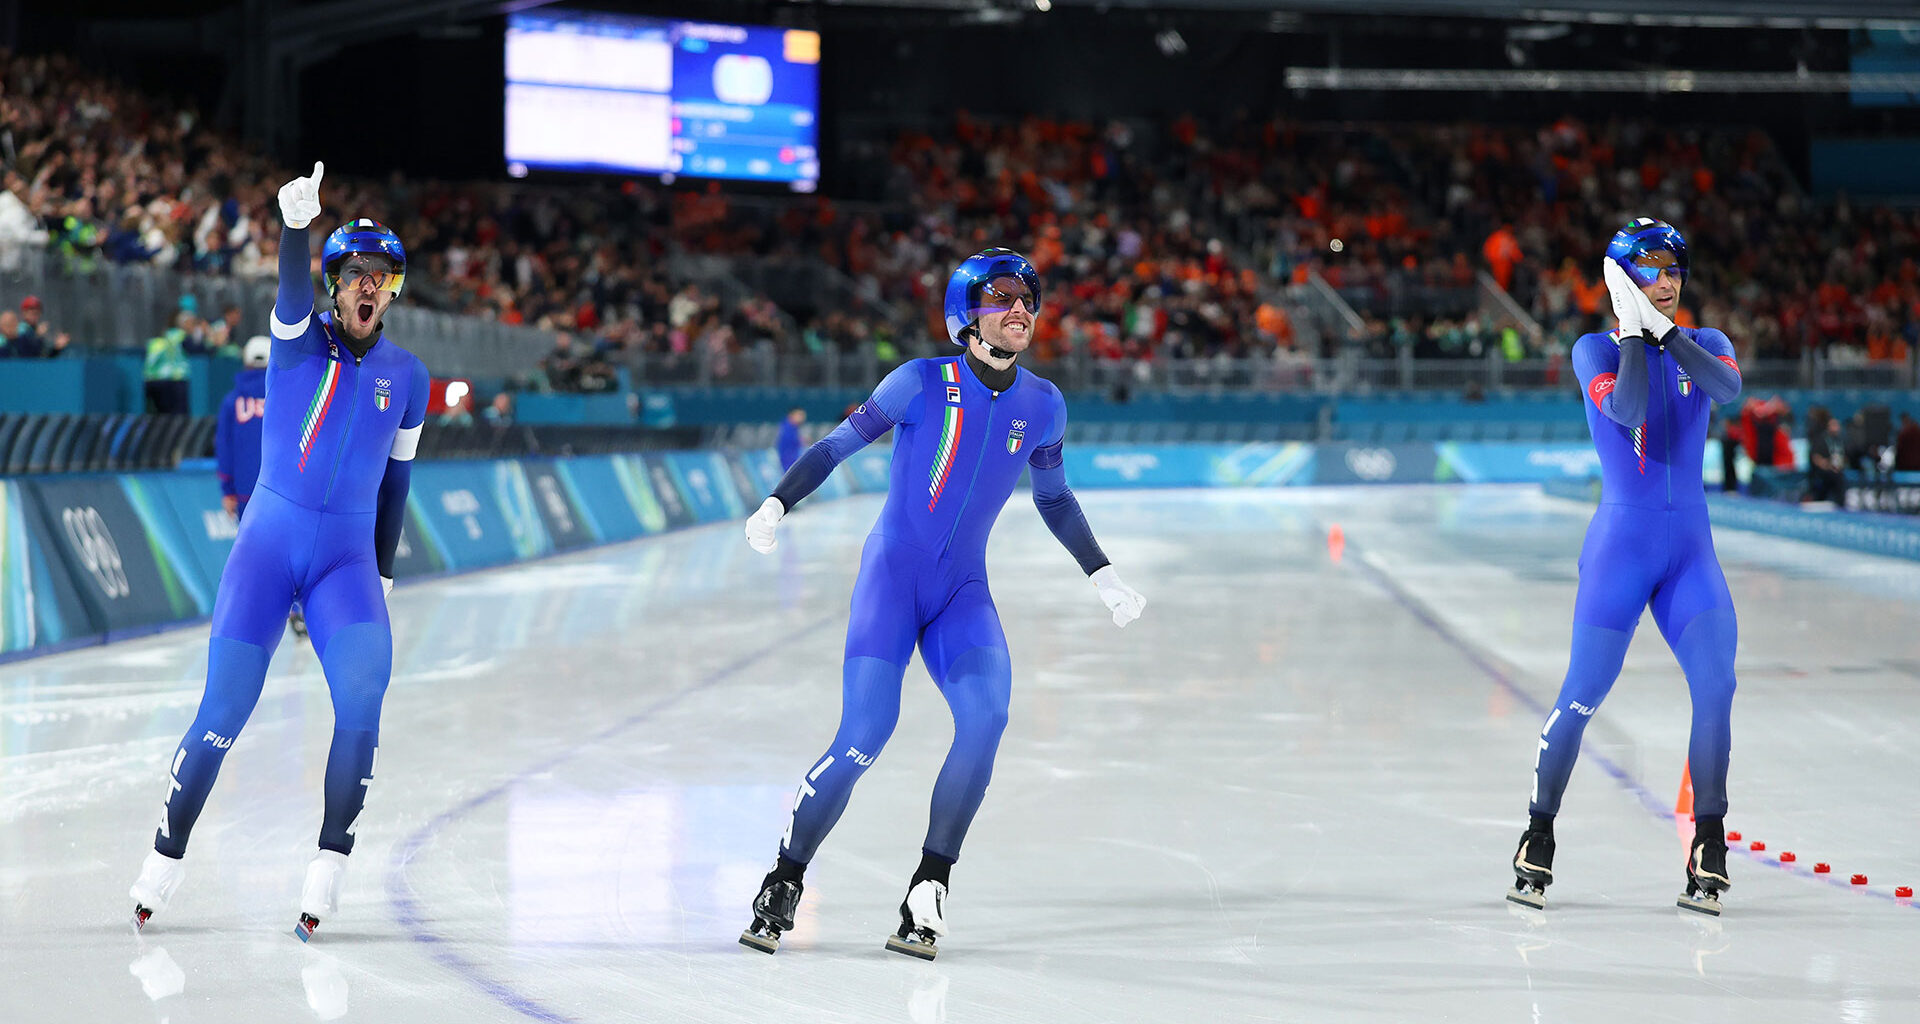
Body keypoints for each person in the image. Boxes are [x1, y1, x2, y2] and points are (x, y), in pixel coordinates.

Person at [738, 248, 1147, 959]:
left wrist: (1101, 573)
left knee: (986, 718)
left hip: (963, 590)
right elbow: (836, 447)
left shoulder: (1043, 405)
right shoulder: (919, 382)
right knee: (866, 734)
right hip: (892, 583)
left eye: (1029, 299)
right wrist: (777, 502)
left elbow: (1053, 498)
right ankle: (786, 875)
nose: (1021, 310)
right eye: (1003, 299)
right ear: (968, 316)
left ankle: (930, 882)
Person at [130, 162, 431, 942]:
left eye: (382, 276)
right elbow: (290, 292)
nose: (367, 287)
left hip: (345, 567)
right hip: (266, 553)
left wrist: (385, 572)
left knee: (362, 705)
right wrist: (296, 230)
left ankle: (328, 866)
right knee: (224, 713)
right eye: (355, 274)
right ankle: (165, 857)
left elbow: (396, 485)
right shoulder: (297, 341)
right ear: (335, 285)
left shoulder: (409, 377)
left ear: (394, 290)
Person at [1508, 219, 1743, 916]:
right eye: (1651, 269)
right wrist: (1637, 331)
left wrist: (1663, 332)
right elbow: (1633, 406)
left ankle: (1709, 839)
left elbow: (1725, 393)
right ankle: (1539, 829)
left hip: (1689, 555)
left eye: (1676, 269)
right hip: (1621, 551)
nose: (1667, 281)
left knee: (1717, 687)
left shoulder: (1707, 344)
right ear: (1621, 279)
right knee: (1581, 697)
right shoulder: (1593, 350)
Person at [776, 406, 806, 470]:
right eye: (799, 415)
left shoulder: (794, 428)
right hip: (788, 463)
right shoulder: (786, 429)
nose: (803, 417)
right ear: (791, 415)